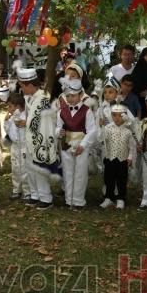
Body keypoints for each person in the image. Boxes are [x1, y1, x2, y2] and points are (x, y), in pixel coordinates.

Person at [18, 67, 60, 209]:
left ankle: (46, 197)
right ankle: (35, 194)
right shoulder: (30, 98)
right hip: (31, 139)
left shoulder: (42, 98)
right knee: (31, 167)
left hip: (41, 139)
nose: (21, 88)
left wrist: (26, 123)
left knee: (40, 169)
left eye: (22, 86)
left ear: (29, 85)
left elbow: (44, 119)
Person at [56, 78, 97, 210]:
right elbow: (57, 127)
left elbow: (92, 130)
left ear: (80, 95)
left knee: (80, 172)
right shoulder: (61, 111)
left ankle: (78, 200)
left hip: (81, 146)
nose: (70, 99)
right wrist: (59, 132)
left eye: (73, 96)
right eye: (68, 96)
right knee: (68, 172)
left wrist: (83, 145)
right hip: (66, 145)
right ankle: (69, 199)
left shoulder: (87, 111)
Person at [100, 105, 135, 210]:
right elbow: (100, 139)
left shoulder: (128, 130)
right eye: (114, 115)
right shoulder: (107, 128)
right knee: (108, 179)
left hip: (122, 159)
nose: (117, 118)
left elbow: (132, 145)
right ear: (111, 116)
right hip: (110, 158)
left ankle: (121, 198)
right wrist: (100, 128)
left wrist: (130, 157)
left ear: (125, 116)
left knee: (122, 180)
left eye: (120, 116)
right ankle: (109, 197)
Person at [4, 91, 30, 200]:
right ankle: (16, 190)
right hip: (15, 146)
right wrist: (6, 122)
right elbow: (9, 132)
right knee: (15, 168)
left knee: (24, 169)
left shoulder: (26, 117)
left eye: (10, 106)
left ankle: (27, 191)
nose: (8, 109)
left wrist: (25, 123)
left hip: (24, 146)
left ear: (18, 107)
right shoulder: (11, 118)